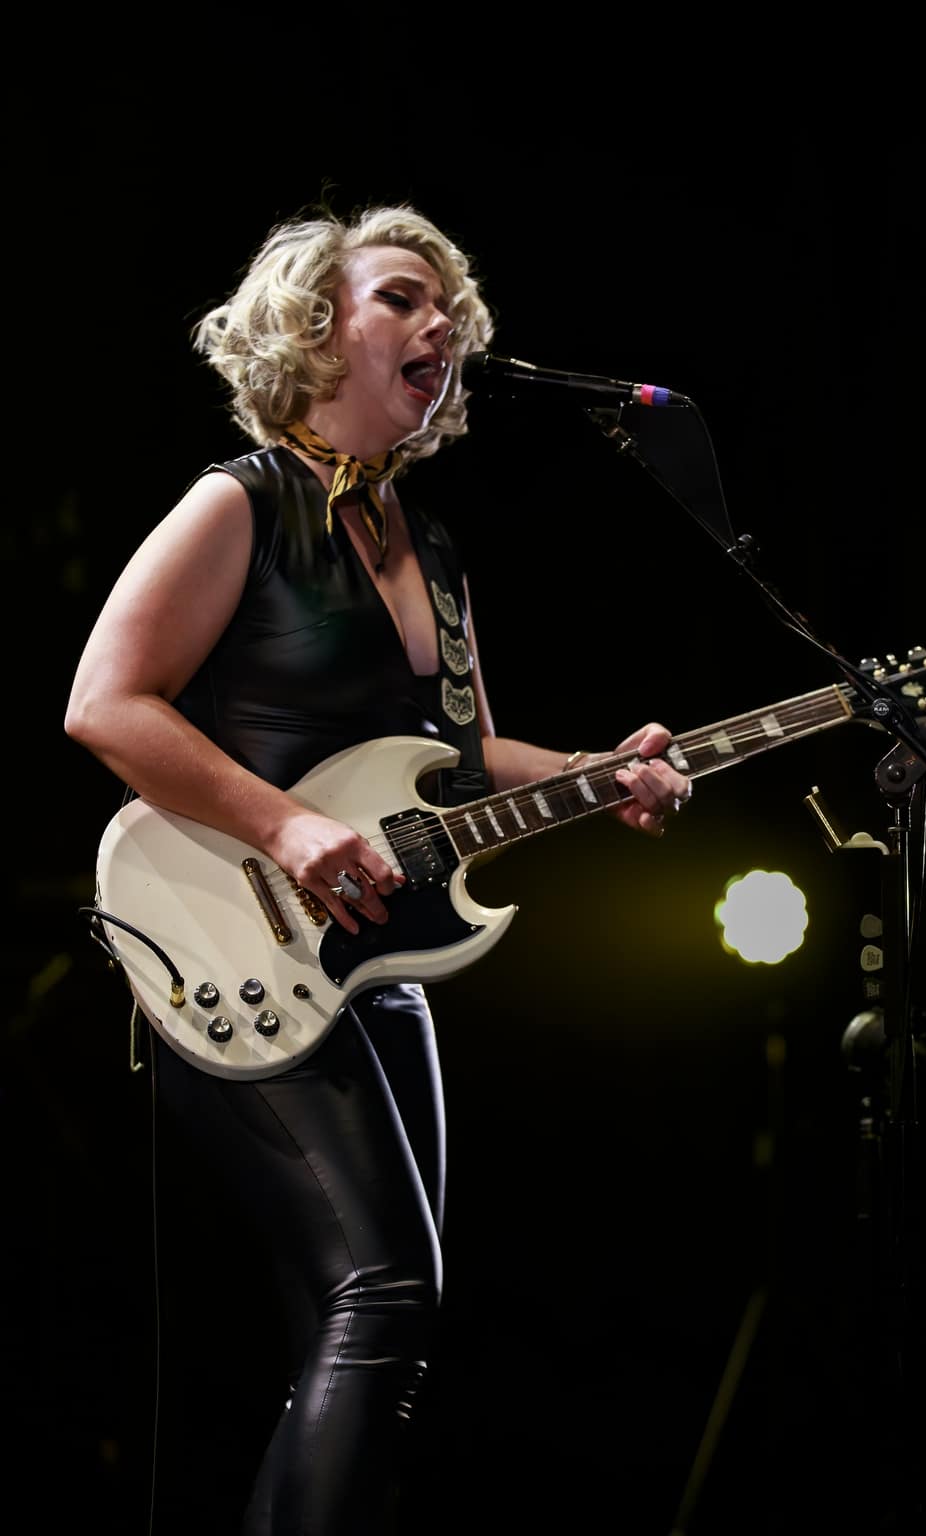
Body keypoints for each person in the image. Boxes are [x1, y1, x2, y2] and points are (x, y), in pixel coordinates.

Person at [64, 201, 692, 1534]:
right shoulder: (240, 499)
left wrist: (602, 771)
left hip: (372, 955)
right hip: (234, 934)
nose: (440, 323)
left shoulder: (431, 546)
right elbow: (105, 705)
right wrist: (283, 826)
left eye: (448, 306)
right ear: (313, 330)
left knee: (366, 1319)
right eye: (401, 297)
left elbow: (456, 759)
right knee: (386, 1294)